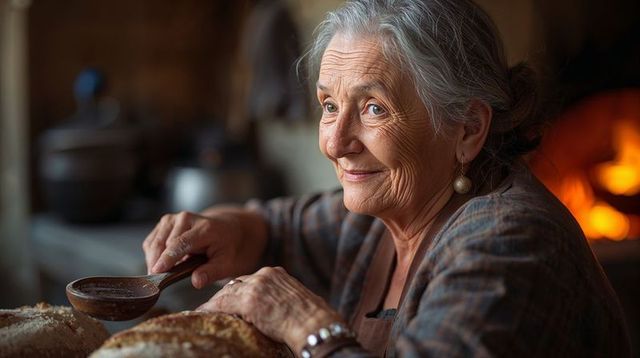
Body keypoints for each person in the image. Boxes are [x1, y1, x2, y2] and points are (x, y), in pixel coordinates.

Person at [143, 0, 631, 356]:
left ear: (467, 129)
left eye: (375, 108)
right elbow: (277, 224)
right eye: (330, 106)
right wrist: (227, 228)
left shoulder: (511, 243)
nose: (335, 143)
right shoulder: (387, 212)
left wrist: (304, 324)